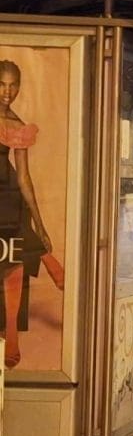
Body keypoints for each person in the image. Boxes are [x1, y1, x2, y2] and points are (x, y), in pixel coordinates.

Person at [0, 59, 66, 369]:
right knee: (11, 256)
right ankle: (47, 258)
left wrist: (40, 224)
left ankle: (11, 332)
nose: (7, 91)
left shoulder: (17, 123)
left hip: (9, 195)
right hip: (6, 199)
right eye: (2, 84)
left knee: (13, 262)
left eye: (13, 85)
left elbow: (24, 178)